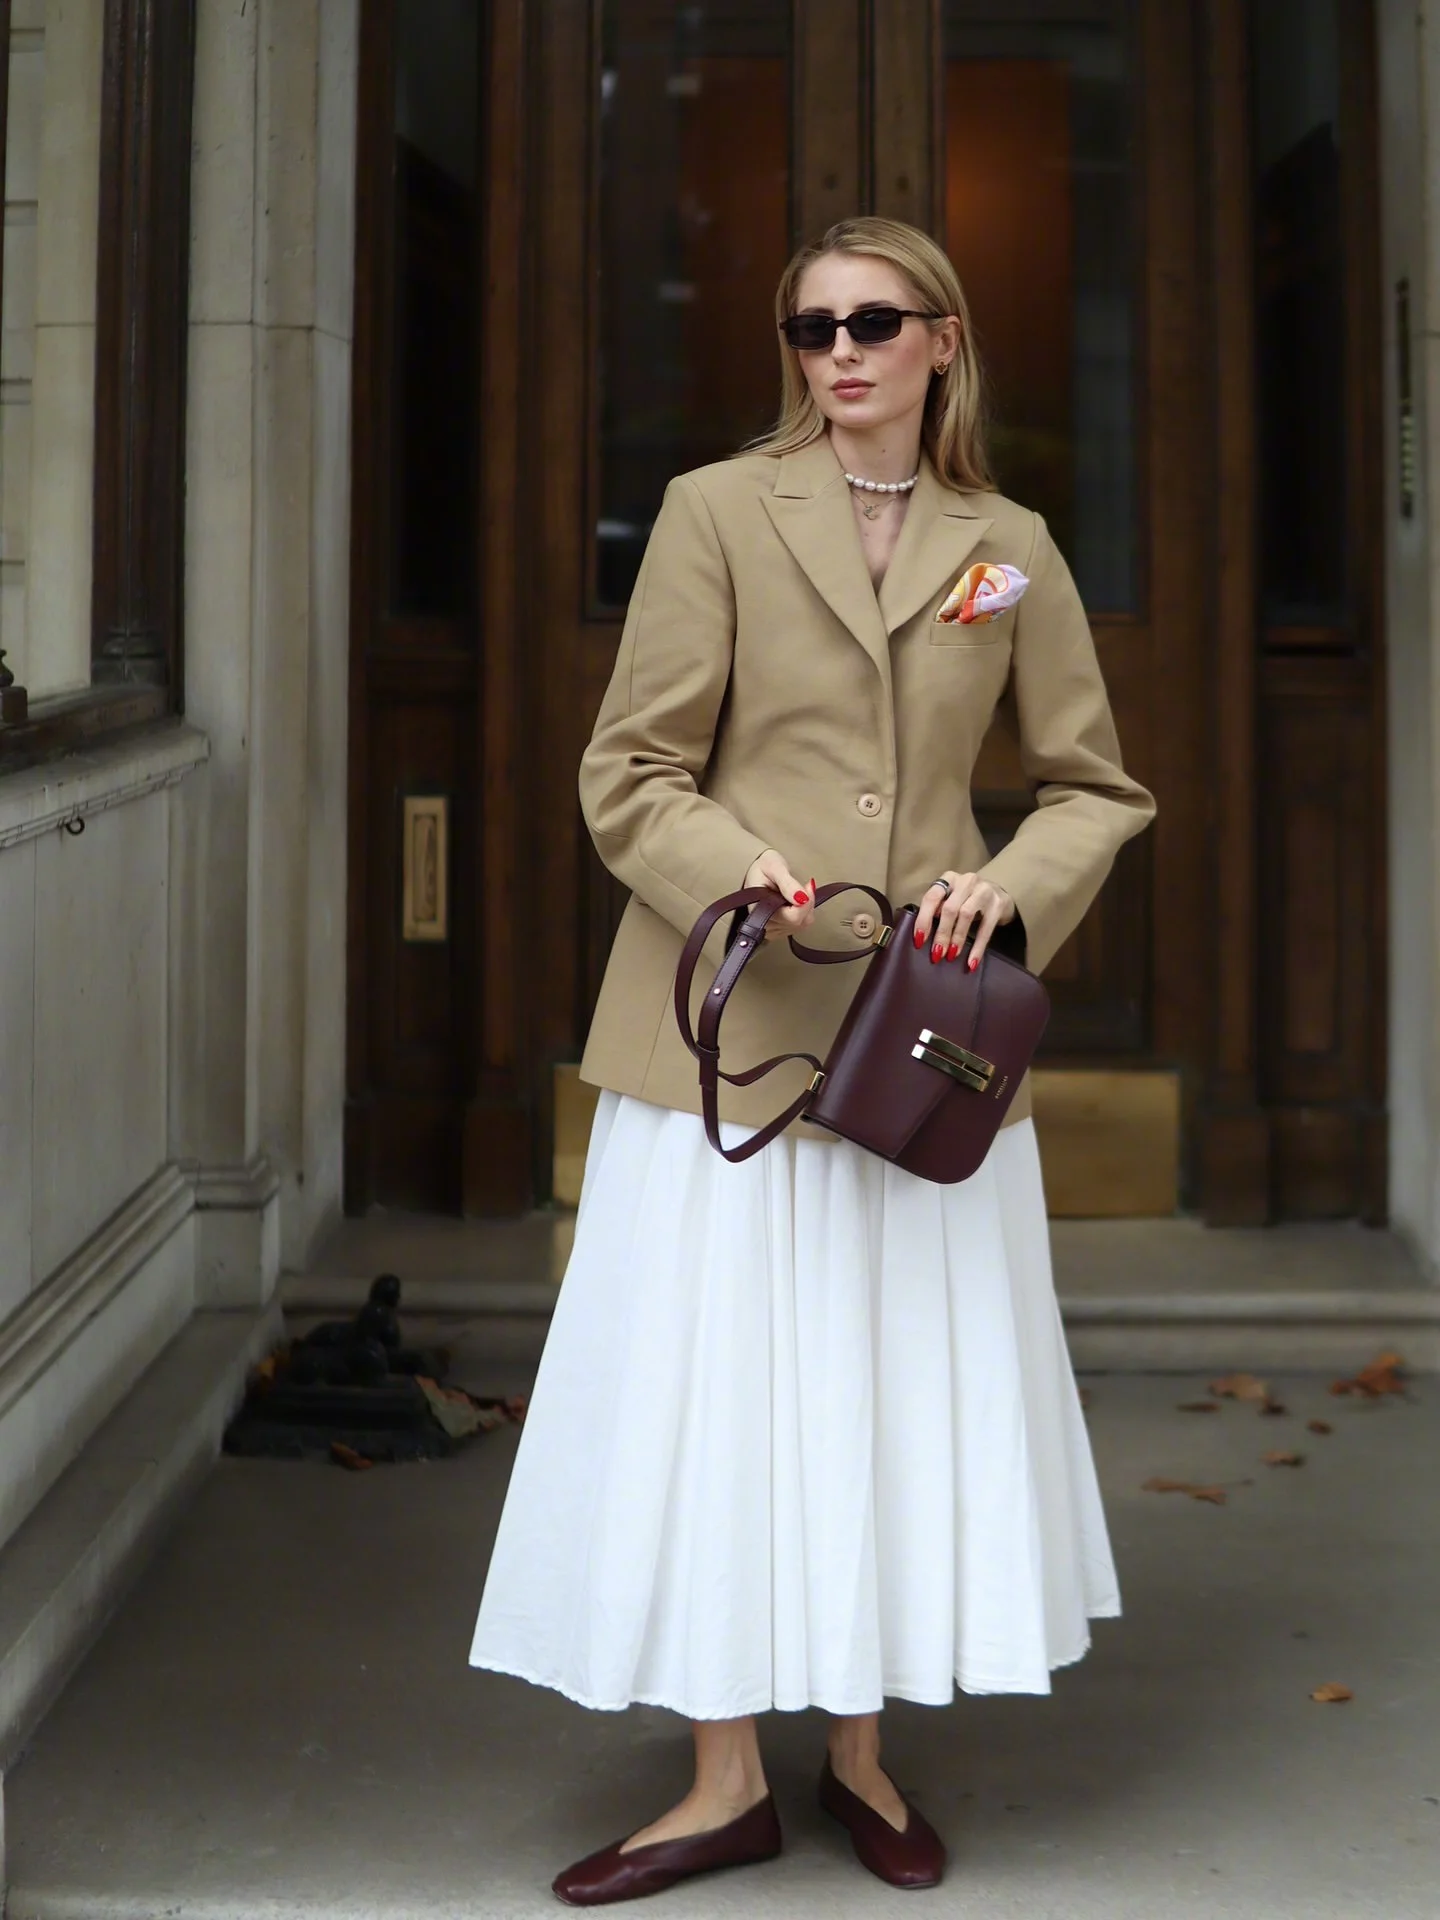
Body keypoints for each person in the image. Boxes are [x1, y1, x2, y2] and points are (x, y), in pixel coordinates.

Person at [470, 215, 1155, 1906]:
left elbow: (1095, 786)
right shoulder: (715, 512)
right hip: (726, 1029)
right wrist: (732, 875)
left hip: (917, 1043)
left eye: (871, 322)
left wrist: (1007, 889)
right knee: (714, 1395)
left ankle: (858, 1752)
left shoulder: (1012, 544)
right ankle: (718, 1782)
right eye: (807, 327)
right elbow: (630, 768)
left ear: (941, 341)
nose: (838, 351)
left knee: (887, 1390)